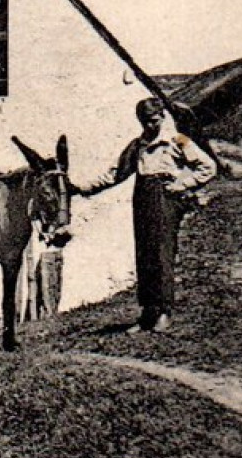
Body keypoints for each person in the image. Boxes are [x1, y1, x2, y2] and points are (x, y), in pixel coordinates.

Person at [76, 97, 217, 333]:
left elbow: (208, 166)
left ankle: (164, 312)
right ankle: (147, 313)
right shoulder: (136, 145)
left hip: (166, 200)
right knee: (144, 254)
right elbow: (115, 174)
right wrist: (83, 188)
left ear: (162, 117)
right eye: (145, 122)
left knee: (162, 254)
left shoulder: (178, 140)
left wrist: (182, 184)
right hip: (142, 200)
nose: (150, 126)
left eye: (153, 120)